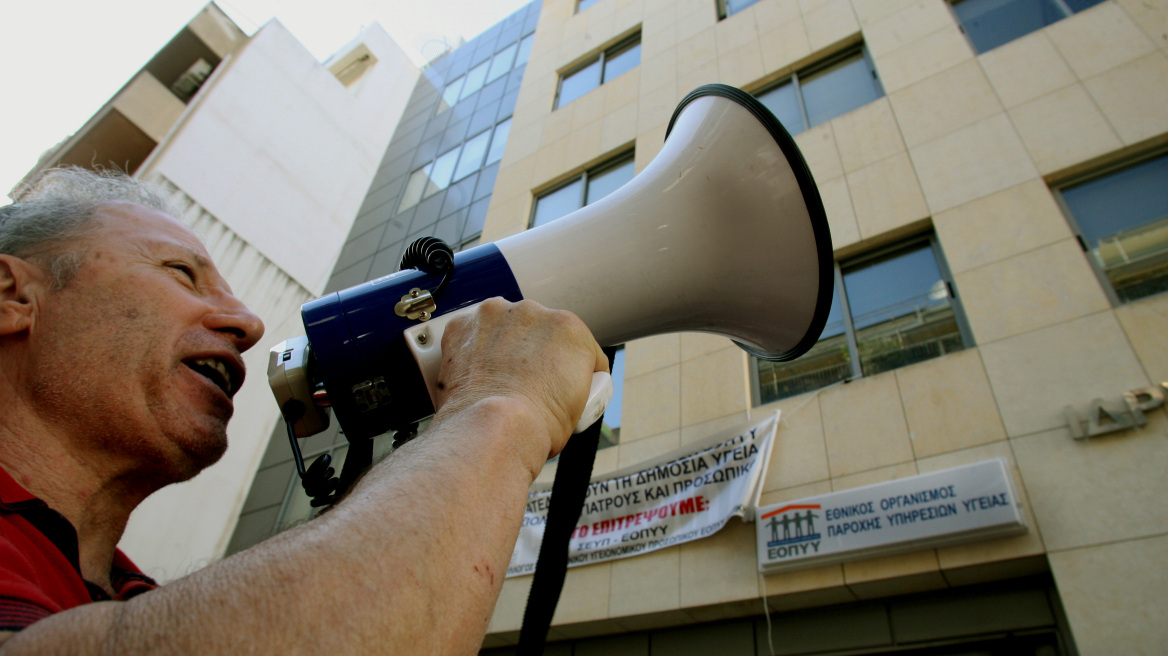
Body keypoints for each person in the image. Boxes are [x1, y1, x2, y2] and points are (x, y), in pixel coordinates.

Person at [0, 168, 608, 654]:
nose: (248, 324)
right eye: (181, 272)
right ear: (11, 297)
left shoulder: (119, 598)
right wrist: (499, 408)